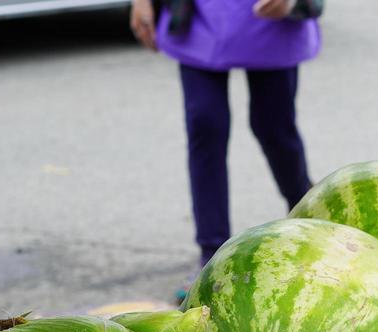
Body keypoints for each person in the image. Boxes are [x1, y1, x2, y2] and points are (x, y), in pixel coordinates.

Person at [129, 0, 322, 283]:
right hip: (200, 18)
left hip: (270, 17)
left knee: (274, 126)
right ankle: (212, 257)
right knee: (205, 125)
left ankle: (311, 221)